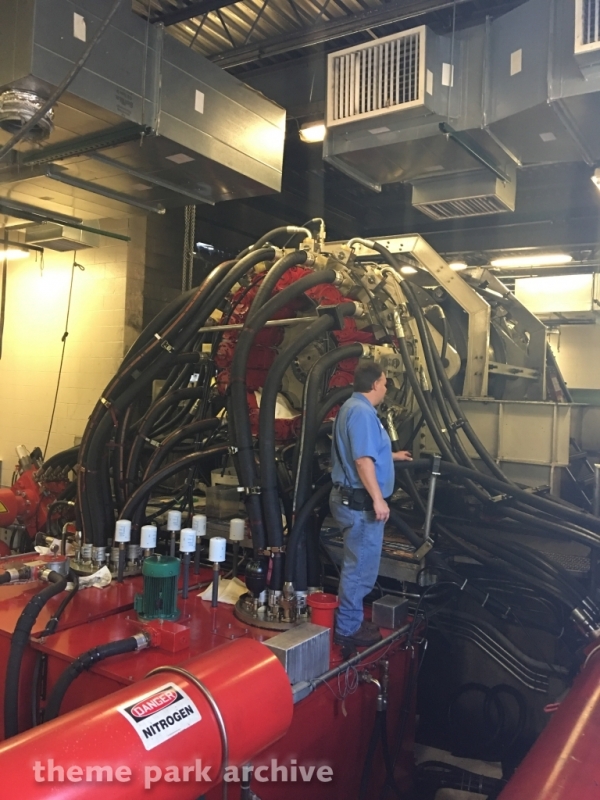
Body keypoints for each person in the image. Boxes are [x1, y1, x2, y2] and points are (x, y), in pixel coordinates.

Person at [330, 361, 412, 647]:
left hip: (351, 499)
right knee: (360, 569)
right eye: (385, 383)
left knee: (358, 564)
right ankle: (348, 628)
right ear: (376, 384)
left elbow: (366, 450)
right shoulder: (362, 413)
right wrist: (378, 499)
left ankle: (350, 620)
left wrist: (392, 456)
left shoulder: (353, 407)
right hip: (360, 504)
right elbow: (362, 460)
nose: (386, 388)